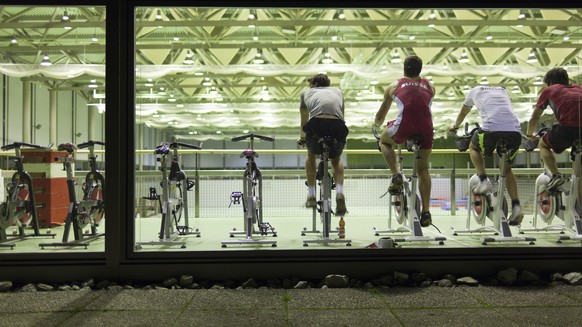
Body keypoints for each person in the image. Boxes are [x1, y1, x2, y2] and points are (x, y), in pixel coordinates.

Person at [373, 55, 434, 227]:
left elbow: (381, 114)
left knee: (383, 141)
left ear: (404, 68)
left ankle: (396, 174)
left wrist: (377, 124)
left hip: (404, 127)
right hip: (426, 128)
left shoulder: (395, 85)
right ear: (420, 69)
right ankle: (426, 211)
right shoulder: (430, 85)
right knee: (423, 170)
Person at [449, 85, 524, 226]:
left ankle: (483, 180)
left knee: (473, 147)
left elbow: (463, 112)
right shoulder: (503, 90)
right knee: (507, 170)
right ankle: (516, 206)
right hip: (515, 132)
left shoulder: (474, 90)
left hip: (491, 129)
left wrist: (455, 126)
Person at [298, 73, 349, 216]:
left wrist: (302, 137)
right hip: (337, 125)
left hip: (316, 125)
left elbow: (304, 118)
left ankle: (311, 194)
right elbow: (341, 115)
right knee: (336, 159)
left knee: (311, 155)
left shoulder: (306, 93)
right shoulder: (338, 92)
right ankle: (339, 192)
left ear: (313, 84)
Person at [526, 67, 582, 197]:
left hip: (567, 128)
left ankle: (556, 175)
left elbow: (534, 117)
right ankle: (580, 210)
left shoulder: (549, 90)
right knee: (579, 174)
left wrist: (529, 135)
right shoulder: (579, 88)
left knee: (543, 144)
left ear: (550, 82)